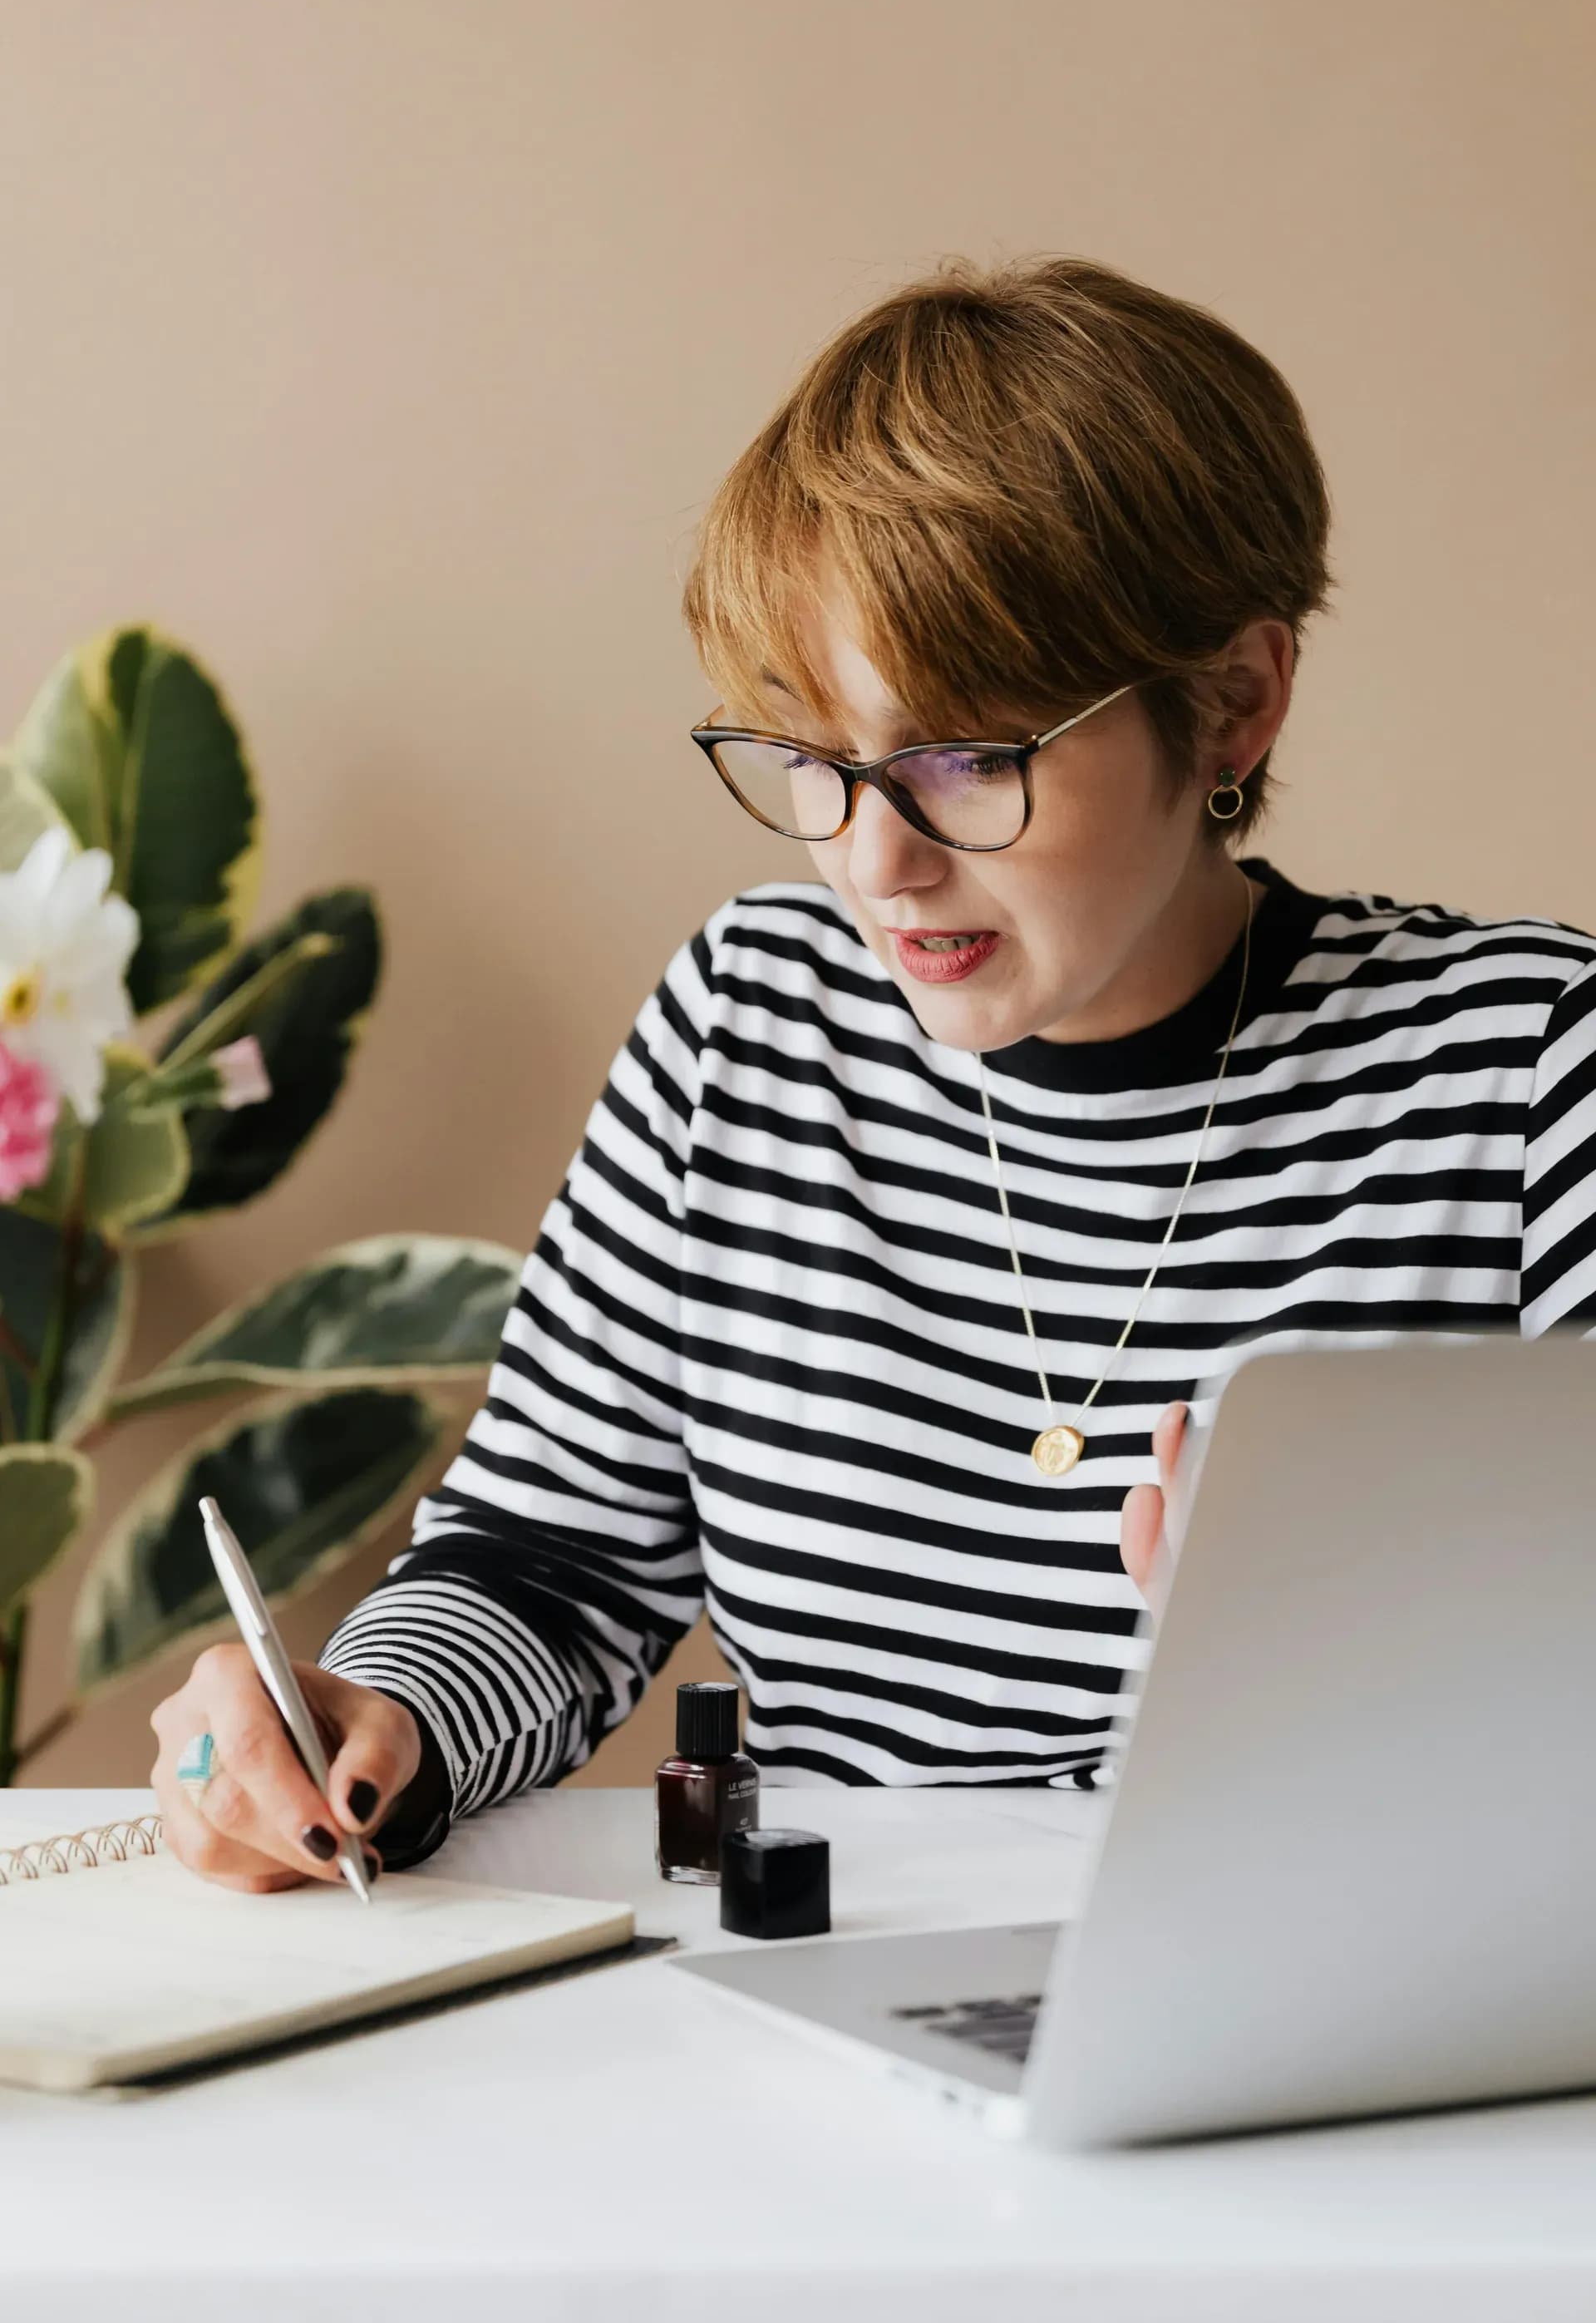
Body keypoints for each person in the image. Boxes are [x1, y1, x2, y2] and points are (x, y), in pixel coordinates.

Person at [151, 254, 1596, 1892]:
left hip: (1332, 1982)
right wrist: (373, 1719)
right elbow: (550, 1563)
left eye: (964, 760)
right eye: (813, 760)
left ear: (1235, 706)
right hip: (824, 1990)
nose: (873, 862)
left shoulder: (1531, 1071)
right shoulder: (750, 1020)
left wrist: (1371, 1652)